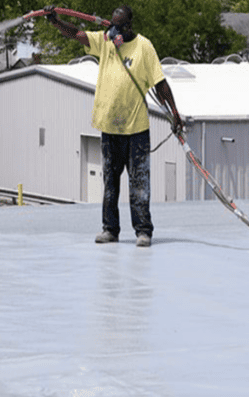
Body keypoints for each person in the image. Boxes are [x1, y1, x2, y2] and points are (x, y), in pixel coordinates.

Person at [44, 4, 183, 247]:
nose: (112, 30)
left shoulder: (144, 47)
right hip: (109, 126)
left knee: (139, 182)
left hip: (135, 128)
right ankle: (110, 229)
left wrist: (175, 112)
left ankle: (143, 231)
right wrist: (55, 22)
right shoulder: (106, 41)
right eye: (111, 24)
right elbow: (76, 34)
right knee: (110, 181)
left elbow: (160, 84)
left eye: (117, 26)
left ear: (129, 26)